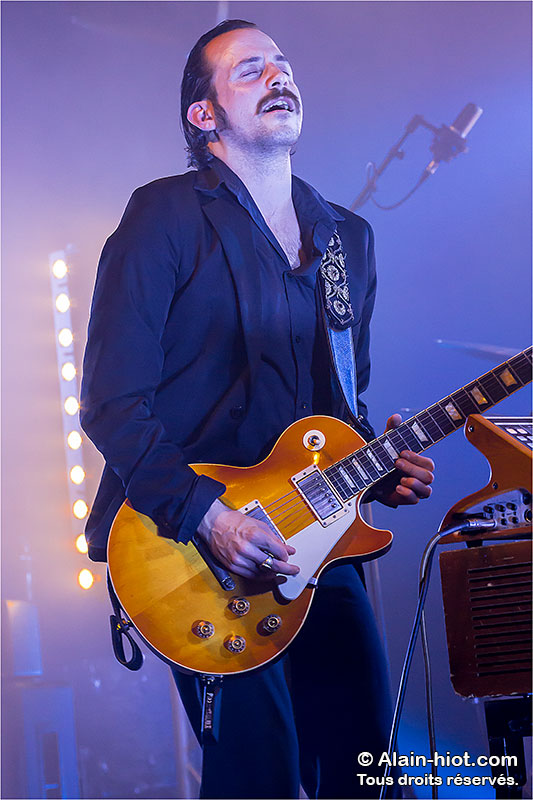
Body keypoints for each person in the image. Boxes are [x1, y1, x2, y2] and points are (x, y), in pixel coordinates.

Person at [80, 19, 435, 799]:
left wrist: (377, 468)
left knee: (369, 775)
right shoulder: (164, 216)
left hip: (316, 544)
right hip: (192, 547)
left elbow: (337, 411)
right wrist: (210, 519)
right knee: (259, 777)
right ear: (202, 114)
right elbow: (111, 402)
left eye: (282, 64)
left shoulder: (346, 240)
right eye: (248, 69)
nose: (278, 76)